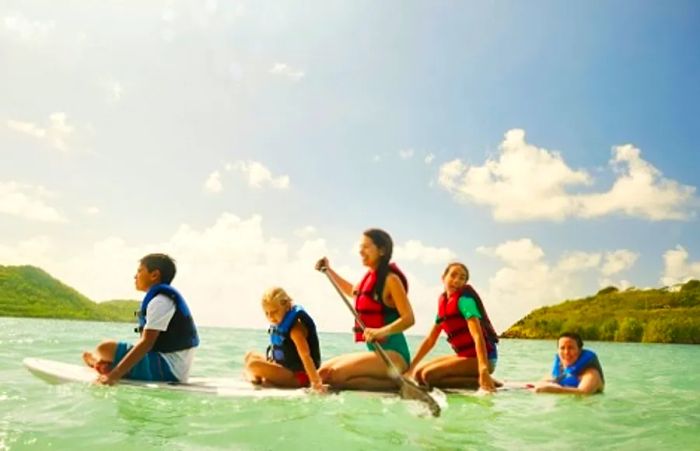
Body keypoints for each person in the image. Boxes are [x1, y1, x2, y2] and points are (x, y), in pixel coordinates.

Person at [315, 228, 415, 391]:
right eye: (360, 247)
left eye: (366, 247)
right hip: (379, 354)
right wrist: (328, 270)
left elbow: (409, 318)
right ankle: (392, 384)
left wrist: (380, 332)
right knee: (322, 373)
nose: (361, 251)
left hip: (395, 356)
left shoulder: (391, 280)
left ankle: (398, 382)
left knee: (333, 375)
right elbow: (350, 291)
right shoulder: (367, 279)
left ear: (381, 250)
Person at [82, 253, 199, 385]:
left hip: (168, 370)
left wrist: (114, 376)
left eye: (139, 271)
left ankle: (102, 364)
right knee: (107, 351)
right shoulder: (160, 299)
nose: (135, 276)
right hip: (172, 367)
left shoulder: (160, 302)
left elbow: (146, 343)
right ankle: (102, 364)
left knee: (104, 347)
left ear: (154, 275)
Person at [406, 262, 499, 391]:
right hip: (466, 356)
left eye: (462, 278)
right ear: (443, 278)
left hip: (485, 359)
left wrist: (483, 368)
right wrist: (411, 367)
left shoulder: (465, 301)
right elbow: (430, 340)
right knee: (418, 373)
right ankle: (478, 378)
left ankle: (484, 380)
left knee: (428, 376)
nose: (456, 280)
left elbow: (477, 336)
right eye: (453, 275)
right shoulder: (444, 304)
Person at [244, 287, 324, 392]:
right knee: (249, 355)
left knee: (253, 365)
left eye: (274, 311)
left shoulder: (296, 329)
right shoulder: (281, 324)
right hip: (284, 368)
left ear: (286, 306)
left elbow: (306, 356)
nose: (271, 317)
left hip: (298, 376)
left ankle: (256, 378)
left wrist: (316, 383)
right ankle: (257, 376)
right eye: (267, 313)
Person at [532, 332, 605, 394]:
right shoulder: (561, 370)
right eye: (562, 348)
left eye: (570, 348)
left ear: (579, 350)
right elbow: (542, 384)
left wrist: (552, 390)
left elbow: (583, 393)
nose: (566, 352)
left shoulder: (591, 373)